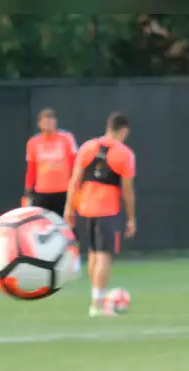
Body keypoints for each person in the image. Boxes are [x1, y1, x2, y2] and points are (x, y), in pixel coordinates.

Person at [64, 111, 136, 317]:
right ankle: (97, 303)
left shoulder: (87, 147)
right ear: (124, 131)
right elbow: (127, 191)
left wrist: (69, 208)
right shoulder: (124, 154)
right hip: (108, 210)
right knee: (104, 256)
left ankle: (96, 295)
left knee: (94, 254)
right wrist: (131, 218)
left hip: (85, 208)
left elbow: (74, 180)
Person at [24, 107, 78, 217]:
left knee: (64, 222)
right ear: (39, 124)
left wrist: (75, 187)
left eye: (51, 121)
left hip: (64, 191)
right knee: (42, 222)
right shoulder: (33, 142)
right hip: (42, 192)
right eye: (45, 122)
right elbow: (31, 168)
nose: (48, 125)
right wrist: (28, 190)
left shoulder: (66, 139)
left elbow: (74, 164)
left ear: (55, 122)